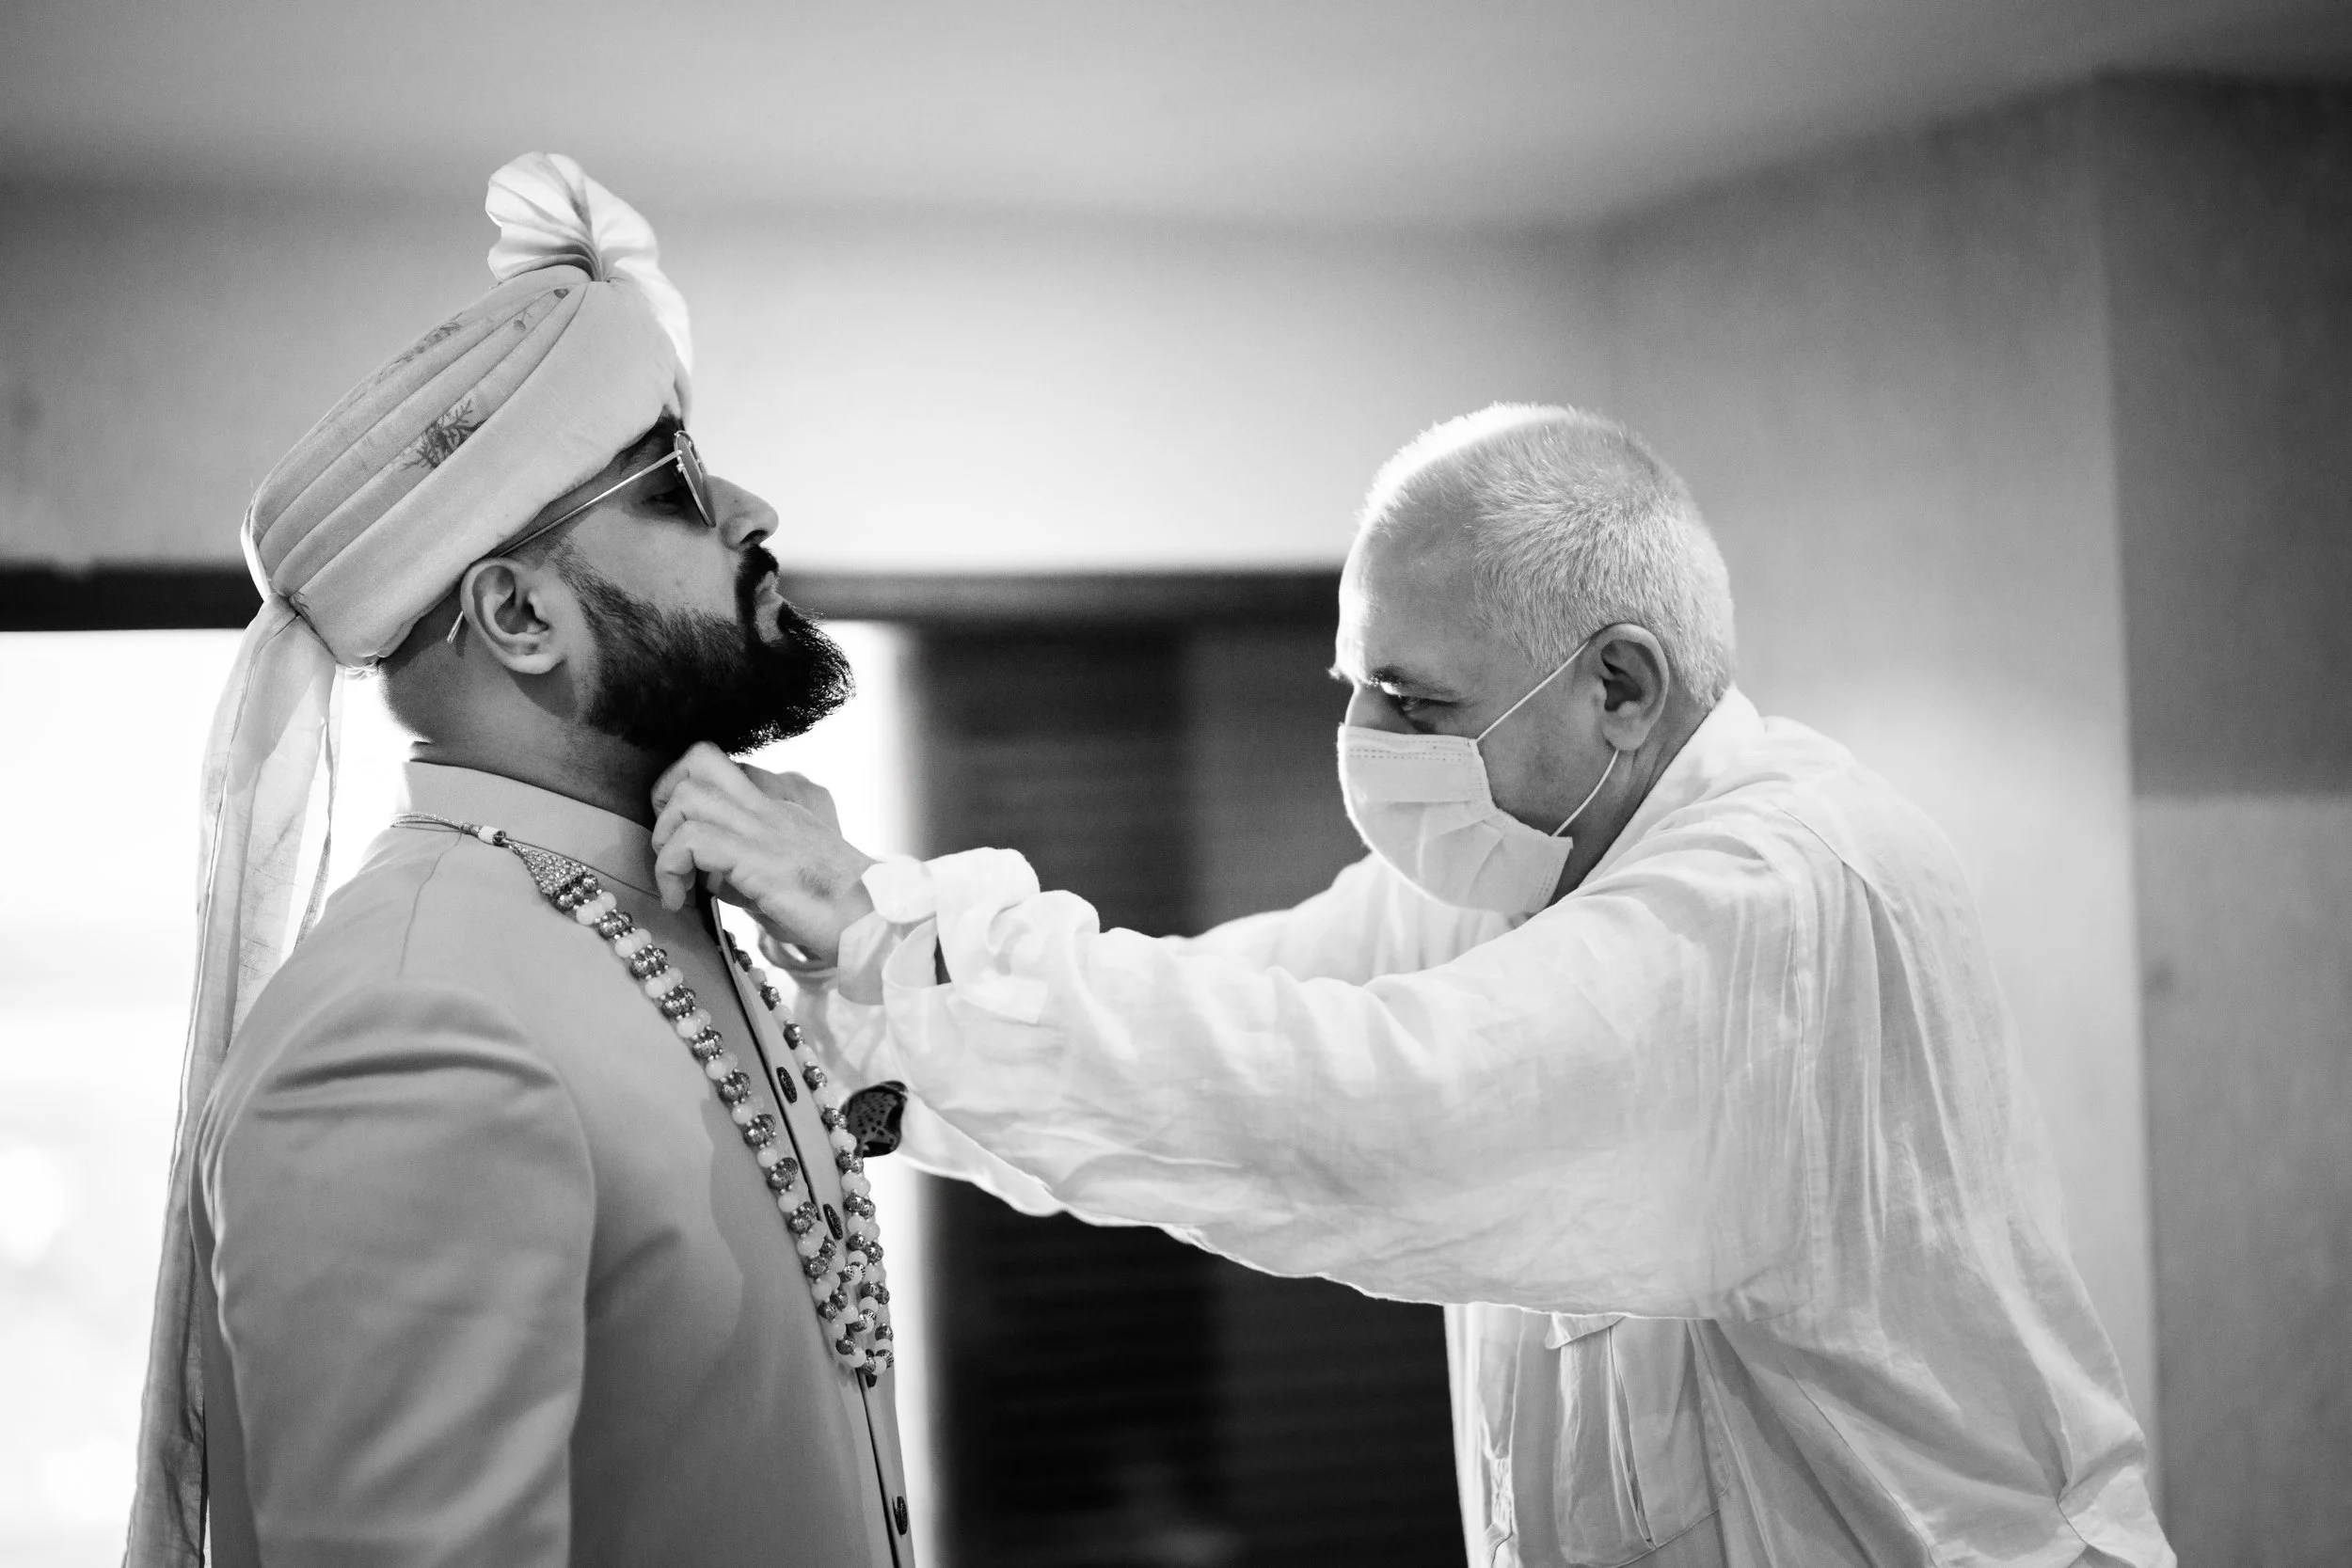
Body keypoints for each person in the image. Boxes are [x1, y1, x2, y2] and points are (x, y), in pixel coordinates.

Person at [648, 405, 2175, 1567]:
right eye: (1357, 685)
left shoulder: (1790, 893)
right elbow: (1212, 1040)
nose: (1365, 743)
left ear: (1622, 687)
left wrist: (889, 928)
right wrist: (862, 990)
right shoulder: (1510, 870)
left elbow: (1357, 1110)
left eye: (1414, 700)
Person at [126, 152, 915, 1568]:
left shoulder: (664, 907)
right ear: (518, 614)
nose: (753, 511)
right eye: (679, 484)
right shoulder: (411, 1023)